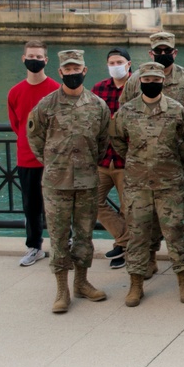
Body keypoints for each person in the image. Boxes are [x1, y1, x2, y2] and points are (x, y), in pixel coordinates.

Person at [27, 50, 111, 314]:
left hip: (87, 181)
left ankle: (82, 282)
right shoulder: (46, 105)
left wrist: (85, 163)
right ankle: (62, 289)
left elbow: (102, 142)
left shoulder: (97, 105)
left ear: (84, 71)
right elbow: (35, 140)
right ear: (60, 72)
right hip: (56, 183)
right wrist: (55, 162)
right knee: (60, 237)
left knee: (85, 236)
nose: (73, 74)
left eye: (77, 70)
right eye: (68, 70)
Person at [121, 32, 184, 277]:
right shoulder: (135, 80)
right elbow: (123, 120)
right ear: (151, 53)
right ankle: (149, 256)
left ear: (174, 52)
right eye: (158, 51)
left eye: (166, 50)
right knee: (147, 211)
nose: (162, 55)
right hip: (149, 163)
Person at [112, 62, 184, 307]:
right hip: (138, 185)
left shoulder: (176, 110)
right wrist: (136, 159)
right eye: (146, 81)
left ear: (162, 81)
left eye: (155, 80)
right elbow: (117, 140)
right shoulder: (127, 111)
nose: (151, 84)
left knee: (176, 233)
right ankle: (136, 283)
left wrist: (170, 159)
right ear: (140, 82)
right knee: (138, 235)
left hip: (170, 184)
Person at [8, 40, 60, 267]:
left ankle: (62, 243)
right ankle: (34, 247)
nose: (35, 60)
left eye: (39, 57)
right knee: (31, 206)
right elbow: (16, 124)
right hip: (26, 158)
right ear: (23, 58)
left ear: (46, 60)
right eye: (31, 56)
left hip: (53, 160)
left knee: (57, 205)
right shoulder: (15, 92)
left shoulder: (57, 90)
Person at [91, 47, 133, 270]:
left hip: (126, 160)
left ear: (128, 64)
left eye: (119, 61)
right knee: (93, 201)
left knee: (128, 208)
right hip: (103, 158)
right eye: (112, 62)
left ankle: (121, 249)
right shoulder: (98, 89)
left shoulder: (136, 88)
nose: (115, 65)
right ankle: (126, 241)